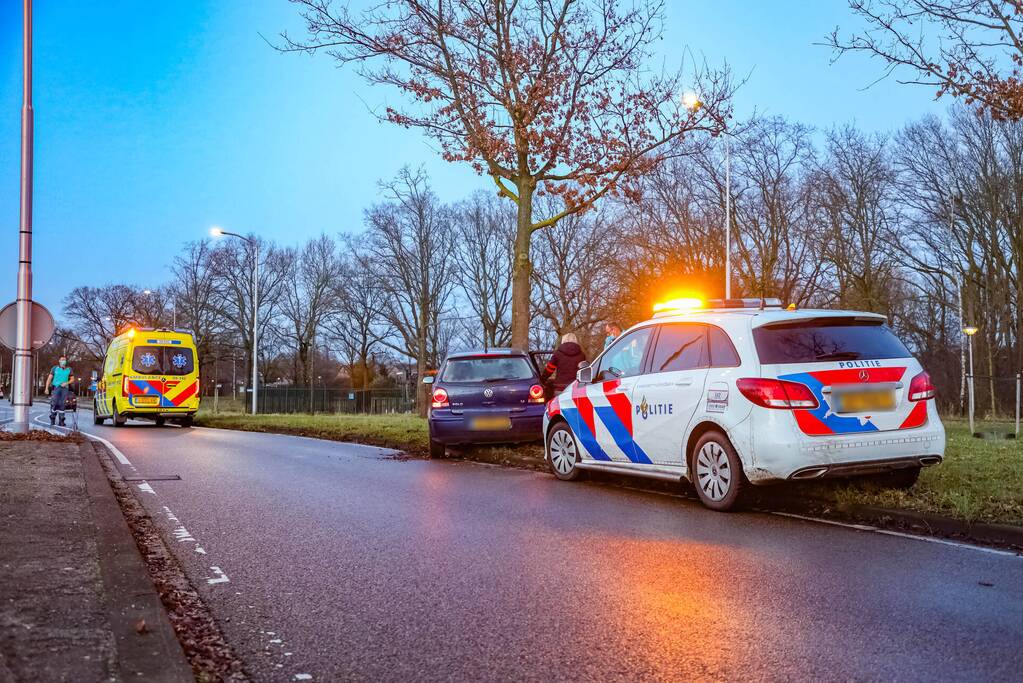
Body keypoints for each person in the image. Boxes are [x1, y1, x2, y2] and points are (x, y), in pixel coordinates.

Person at [46, 355, 75, 426]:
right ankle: (52, 417)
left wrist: (66, 383)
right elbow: (49, 378)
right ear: (59, 361)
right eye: (62, 360)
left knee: (62, 404)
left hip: (65, 388)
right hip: (56, 387)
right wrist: (46, 388)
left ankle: (61, 420)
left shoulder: (69, 369)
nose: (63, 361)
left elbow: (72, 379)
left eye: (64, 360)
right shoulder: (55, 368)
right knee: (55, 403)